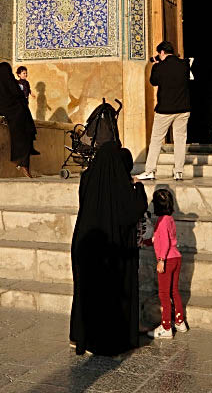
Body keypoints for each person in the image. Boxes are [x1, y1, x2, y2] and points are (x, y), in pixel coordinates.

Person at [70, 142, 148, 357]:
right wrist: (139, 187)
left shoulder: (87, 179)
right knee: (111, 295)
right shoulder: (122, 185)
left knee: (86, 292)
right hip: (113, 249)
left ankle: (81, 336)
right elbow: (135, 211)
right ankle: (110, 340)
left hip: (85, 243)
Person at [136, 41, 190, 181]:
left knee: (156, 140)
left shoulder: (159, 67)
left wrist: (155, 66)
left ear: (161, 52)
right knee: (180, 140)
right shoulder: (184, 64)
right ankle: (178, 171)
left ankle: (150, 170)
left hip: (165, 110)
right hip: (183, 108)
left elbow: (153, 82)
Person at [0, 62, 38, 178]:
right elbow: (16, 92)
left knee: (24, 116)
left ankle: (23, 160)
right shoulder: (7, 79)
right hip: (10, 110)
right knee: (25, 122)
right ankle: (22, 161)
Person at [148, 188, 188, 339]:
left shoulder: (161, 221)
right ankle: (179, 321)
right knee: (174, 291)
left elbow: (163, 243)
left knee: (164, 293)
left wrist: (161, 260)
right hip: (176, 257)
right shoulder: (170, 219)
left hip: (167, 260)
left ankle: (166, 327)